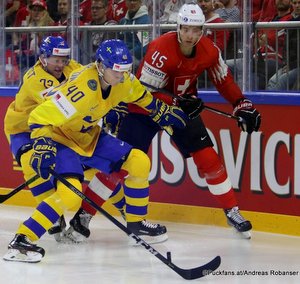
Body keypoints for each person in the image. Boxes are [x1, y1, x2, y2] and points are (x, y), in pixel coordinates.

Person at [68, 3, 261, 242]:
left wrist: (241, 103)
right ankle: (83, 216)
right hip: (142, 110)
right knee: (119, 165)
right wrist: (179, 100)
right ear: (178, 27)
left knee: (207, 157)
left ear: (203, 30)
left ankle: (232, 210)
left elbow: (223, 79)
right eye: (187, 29)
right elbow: (145, 91)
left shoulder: (209, 50)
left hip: (179, 109)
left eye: (196, 30)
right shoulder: (160, 48)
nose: (191, 35)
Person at [3, 39, 188, 263]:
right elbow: (40, 117)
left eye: (125, 71)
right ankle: (22, 240)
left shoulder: (122, 80)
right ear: (101, 66)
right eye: (116, 71)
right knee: (70, 194)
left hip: (88, 135)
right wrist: (42, 144)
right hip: (62, 139)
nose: (122, 76)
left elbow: (139, 94)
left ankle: (136, 223)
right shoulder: (79, 92)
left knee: (139, 161)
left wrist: (158, 109)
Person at [4, 36, 82, 242]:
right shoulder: (36, 78)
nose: (60, 64)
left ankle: (75, 214)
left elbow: (89, 75)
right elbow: (62, 105)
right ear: (42, 59)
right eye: (55, 59)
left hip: (49, 126)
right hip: (22, 129)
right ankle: (53, 219)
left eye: (63, 59)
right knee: (33, 164)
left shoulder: (69, 67)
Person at [267, 0, 300, 91]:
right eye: (294, 3)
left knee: (281, 81)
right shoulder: (291, 22)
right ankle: (269, 105)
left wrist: (292, 65)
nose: (297, 6)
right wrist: (286, 64)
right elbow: (287, 48)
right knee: (272, 81)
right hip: (290, 64)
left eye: (299, 3)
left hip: (296, 65)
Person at [119, 0, 150, 72]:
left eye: (135, 0)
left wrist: (127, 54)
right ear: (125, 2)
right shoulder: (123, 21)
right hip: (123, 56)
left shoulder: (145, 21)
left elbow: (144, 46)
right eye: (130, 0)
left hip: (137, 58)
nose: (132, 3)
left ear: (140, 2)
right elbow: (119, 41)